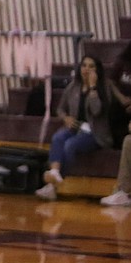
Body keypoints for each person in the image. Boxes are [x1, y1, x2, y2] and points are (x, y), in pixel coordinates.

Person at [36, 54, 131, 201]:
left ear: (97, 70)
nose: (86, 69)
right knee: (57, 137)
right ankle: (54, 173)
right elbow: (60, 109)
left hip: (96, 133)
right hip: (76, 128)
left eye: (91, 66)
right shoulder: (73, 86)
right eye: (84, 65)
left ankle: (53, 185)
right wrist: (65, 118)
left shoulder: (104, 86)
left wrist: (93, 88)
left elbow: (97, 110)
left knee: (70, 145)